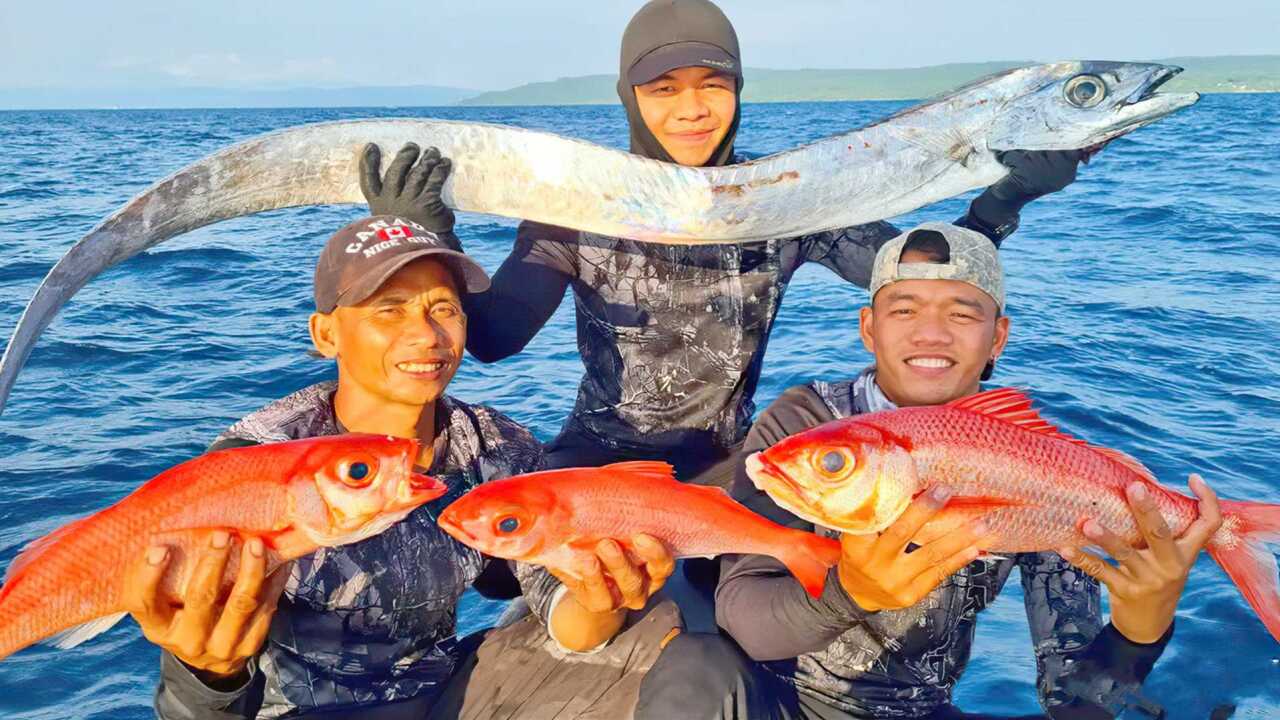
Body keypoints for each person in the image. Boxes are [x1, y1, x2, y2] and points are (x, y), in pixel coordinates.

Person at [361, 0, 1088, 493]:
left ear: (739, 91)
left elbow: (910, 281)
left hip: (726, 464)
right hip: (595, 454)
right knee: (497, 564)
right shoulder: (575, 208)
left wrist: (1004, 199)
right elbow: (493, 339)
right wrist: (430, 236)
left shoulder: (786, 201)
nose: (691, 109)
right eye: (663, 88)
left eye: (713, 84)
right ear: (629, 97)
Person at [641, 223, 1223, 719]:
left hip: (917, 709)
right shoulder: (805, 425)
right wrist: (852, 592)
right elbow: (743, 616)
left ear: (998, 337)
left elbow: (1074, 698)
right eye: (905, 309)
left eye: (962, 312)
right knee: (695, 668)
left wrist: (1144, 623)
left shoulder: (1046, 467)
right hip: (783, 698)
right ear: (869, 328)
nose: (931, 332)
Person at [122, 215, 673, 719]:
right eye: (390, 309)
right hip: (299, 712)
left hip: (445, 692)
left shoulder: (495, 446)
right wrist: (208, 673)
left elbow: (558, 605)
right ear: (326, 334)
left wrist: (600, 599)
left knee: (683, 654)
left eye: (444, 309)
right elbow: (197, 691)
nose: (426, 335)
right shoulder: (255, 460)